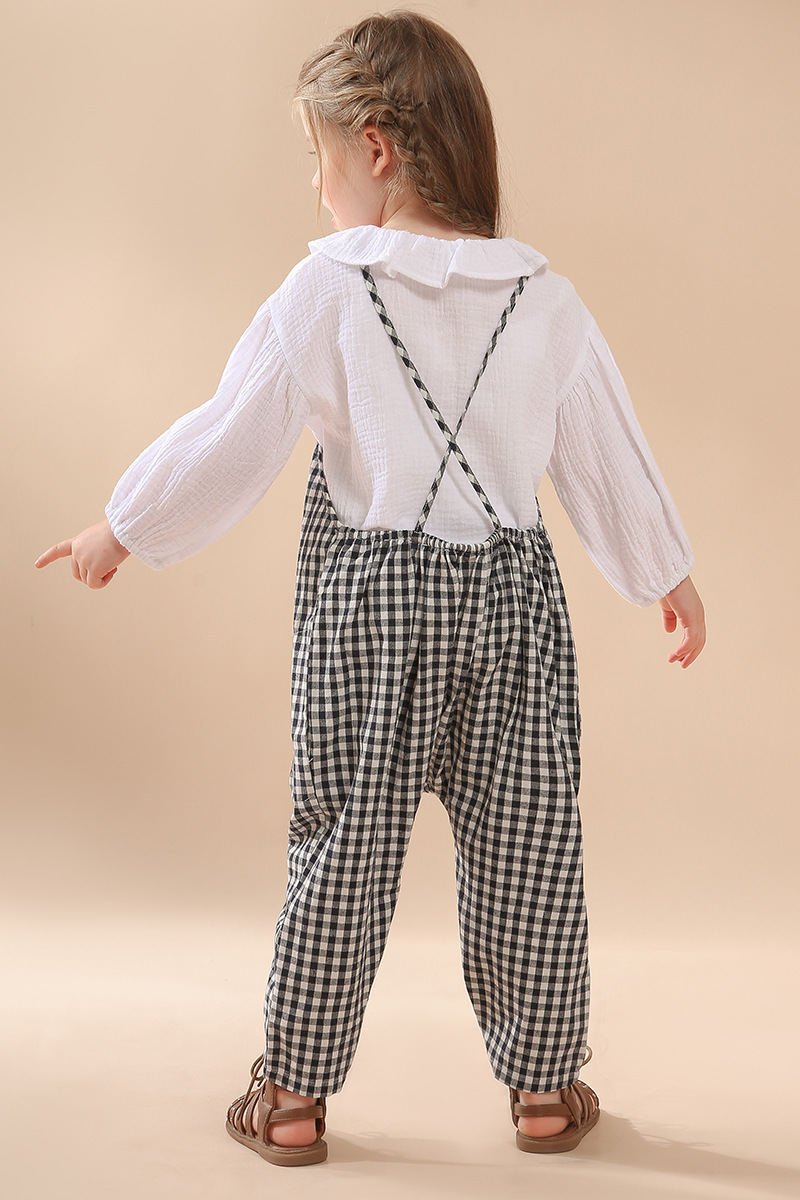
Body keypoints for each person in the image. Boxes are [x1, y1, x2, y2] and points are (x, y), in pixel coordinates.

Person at [35, 8, 705, 1169]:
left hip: (372, 611)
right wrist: (663, 571)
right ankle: (544, 1089)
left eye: (318, 155)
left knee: (341, 841)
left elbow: (232, 434)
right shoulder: (542, 297)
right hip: (512, 608)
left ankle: (292, 1096)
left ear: (377, 148)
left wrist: (125, 526)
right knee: (528, 845)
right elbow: (604, 447)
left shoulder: (327, 292)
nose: (315, 184)